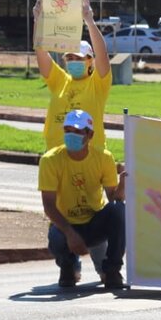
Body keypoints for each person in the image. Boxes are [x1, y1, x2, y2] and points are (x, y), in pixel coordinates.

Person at [39, 110, 126, 289]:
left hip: (94, 222)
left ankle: (112, 271)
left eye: (78, 131)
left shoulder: (104, 158)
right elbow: (48, 205)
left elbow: (113, 200)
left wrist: (123, 186)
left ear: (90, 134)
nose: (72, 135)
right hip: (65, 225)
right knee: (56, 237)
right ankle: (67, 266)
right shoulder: (50, 160)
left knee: (120, 210)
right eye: (68, 130)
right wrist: (71, 234)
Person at [33, 0, 112, 151]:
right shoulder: (59, 80)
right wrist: (38, 21)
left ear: (90, 61)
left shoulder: (97, 83)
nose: (73, 61)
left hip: (90, 156)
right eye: (69, 57)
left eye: (79, 58)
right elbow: (40, 51)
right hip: (56, 155)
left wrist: (89, 21)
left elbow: (102, 55)